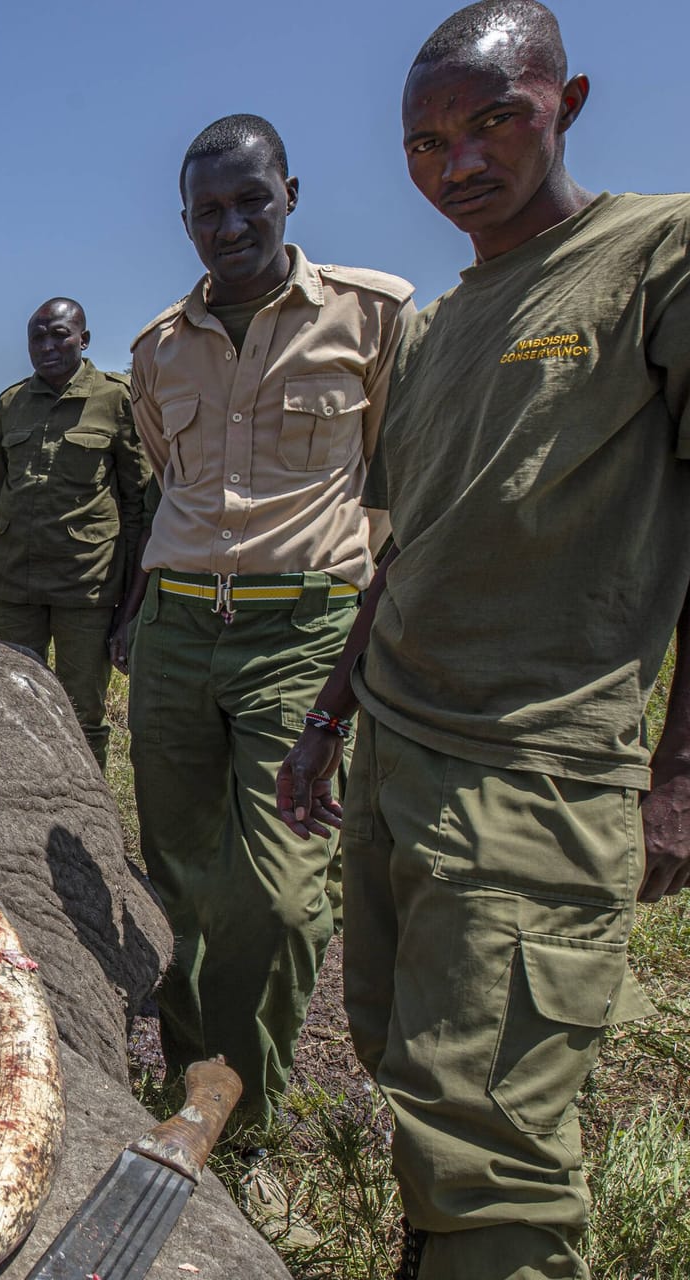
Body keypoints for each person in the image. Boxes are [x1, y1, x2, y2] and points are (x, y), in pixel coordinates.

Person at [276, 4, 689, 1275]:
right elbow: (414, 545)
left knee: (493, 1145)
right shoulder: (446, 323)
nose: (459, 162)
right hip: (400, 746)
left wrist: (680, 778)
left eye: (493, 119)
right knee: (415, 1069)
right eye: (427, 141)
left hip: (531, 768)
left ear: (567, 101)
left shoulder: (654, 257)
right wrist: (334, 710)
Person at [122, 114, 414, 1125]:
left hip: (303, 634)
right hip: (176, 628)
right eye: (208, 210)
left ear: (292, 192)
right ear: (185, 220)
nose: (230, 223)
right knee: (181, 873)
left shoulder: (377, 317)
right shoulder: (157, 347)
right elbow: (170, 476)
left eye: (251, 200)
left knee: (284, 894)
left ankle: (239, 1115)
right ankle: (189, 1076)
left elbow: (396, 480)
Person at [0, 299, 148, 766]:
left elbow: (138, 506)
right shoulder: (11, 402)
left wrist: (130, 606)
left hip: (86, 588)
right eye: (38, 337)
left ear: (84, 339)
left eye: (59, 335)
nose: (48, 346)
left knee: (82, 713)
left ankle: (85, 810)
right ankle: (20, 798)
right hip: (17, 588)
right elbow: (3, 492)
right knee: (11, 704)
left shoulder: (117, 399)